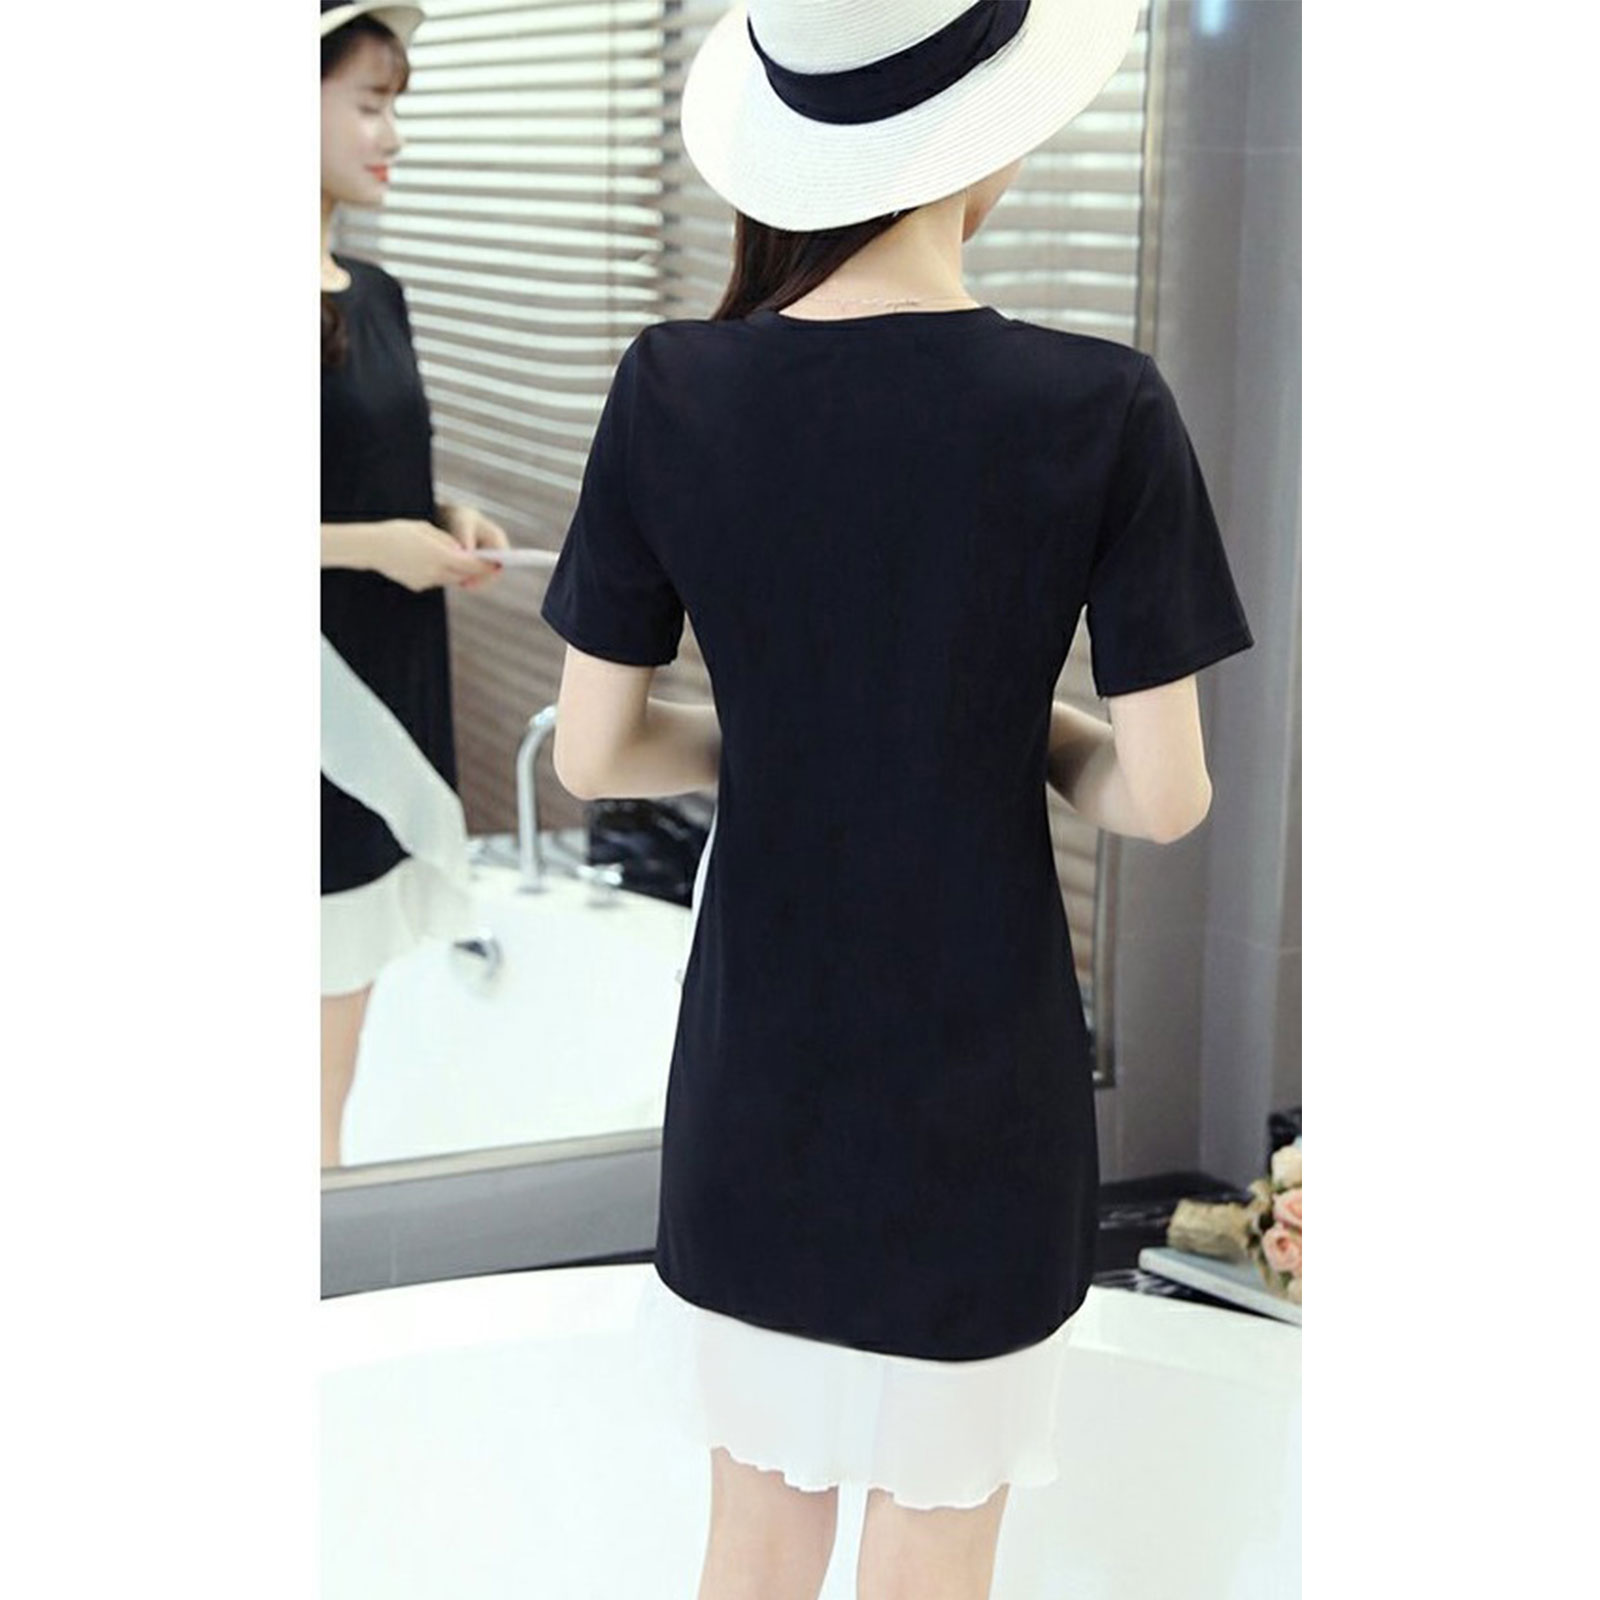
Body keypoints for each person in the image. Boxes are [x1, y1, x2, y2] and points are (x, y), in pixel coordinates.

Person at [540, 2, 1254, 1596]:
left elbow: (592, 756)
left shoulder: (670, 384)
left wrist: (791, 735)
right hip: (982, 1104)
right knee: (938, 1555)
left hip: (755, 1086)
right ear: (987, 137)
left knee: (752, 1547)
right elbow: (1167, 795)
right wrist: (1009, 733)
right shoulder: (1102, 406)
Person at [319, 0, 509, 1169]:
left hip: (384, 682)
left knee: (332, 1050)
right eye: (369, 103)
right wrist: (372, 547)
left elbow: (359, 471)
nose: (393, 133)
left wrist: (440, 517)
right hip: (315, 710)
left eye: (398, 105)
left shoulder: (376, 292)